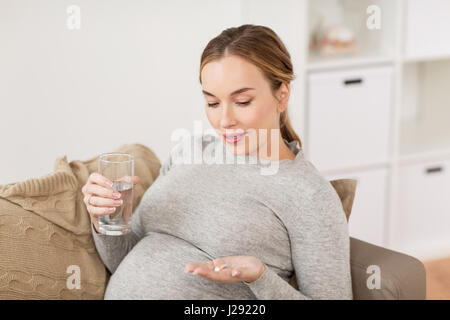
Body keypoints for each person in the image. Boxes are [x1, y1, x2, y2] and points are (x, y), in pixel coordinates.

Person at [81, 24, 353, 300]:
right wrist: (107, 217)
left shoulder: (309, 195)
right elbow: (122, 260)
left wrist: (260, 277)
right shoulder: (190, 150)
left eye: (243, 101)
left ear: (282, 95)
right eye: (212, 103)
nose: (224, 121)